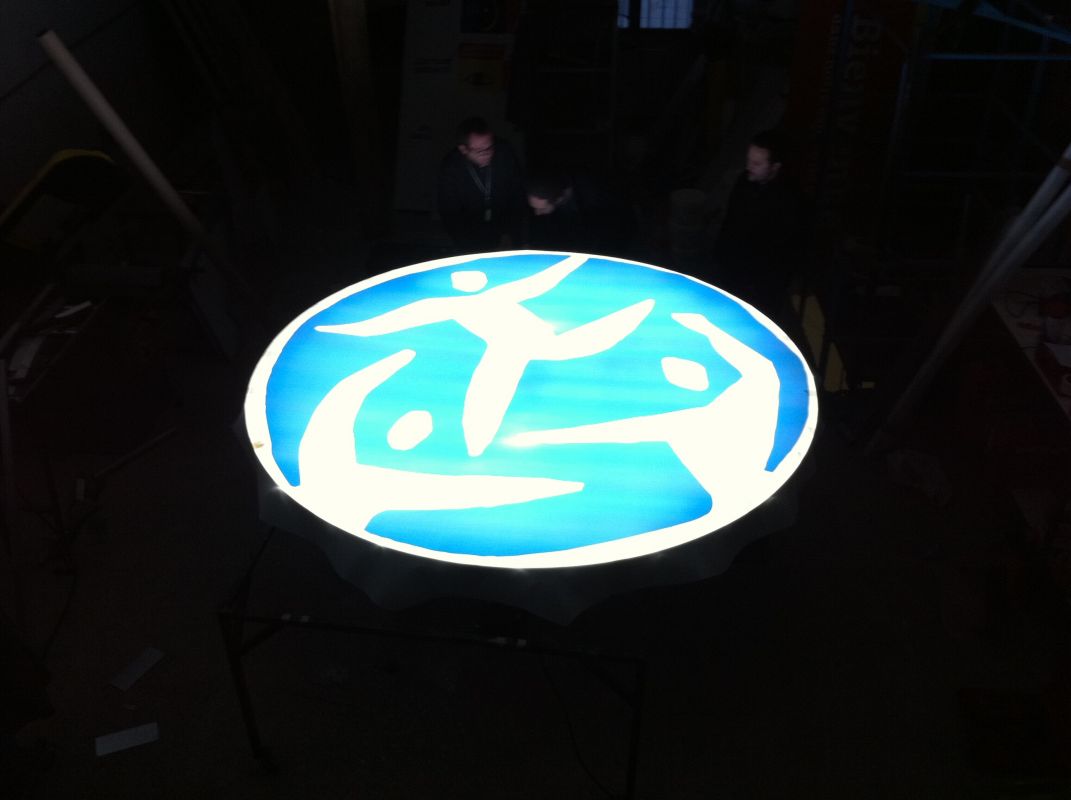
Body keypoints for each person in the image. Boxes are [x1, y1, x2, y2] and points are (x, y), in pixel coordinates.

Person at [711, 129, 807, 317]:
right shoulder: (744, 182)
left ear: (775, 167)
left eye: (756, 163)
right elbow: (730, 223)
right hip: (733, 273)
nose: (749, 167)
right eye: (749, 160)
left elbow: (784, 252)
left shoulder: (790, 202)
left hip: (762, 285)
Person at [437, 117, 527, 254]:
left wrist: (511, 233)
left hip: (504, 226)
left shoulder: (504, 153)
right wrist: (465, 244)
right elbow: (449, 211)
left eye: (489, 148)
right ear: (463, 149)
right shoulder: (451, 166)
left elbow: (517, 195)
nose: (487, 154)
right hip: (469, 231)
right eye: (479, 151)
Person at [524, 171, 637, 257]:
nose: (537, 213)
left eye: (542, 209)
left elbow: (606, 244)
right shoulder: (554, 199)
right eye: (533, 208)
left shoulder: (597, 204)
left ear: (559, 199)